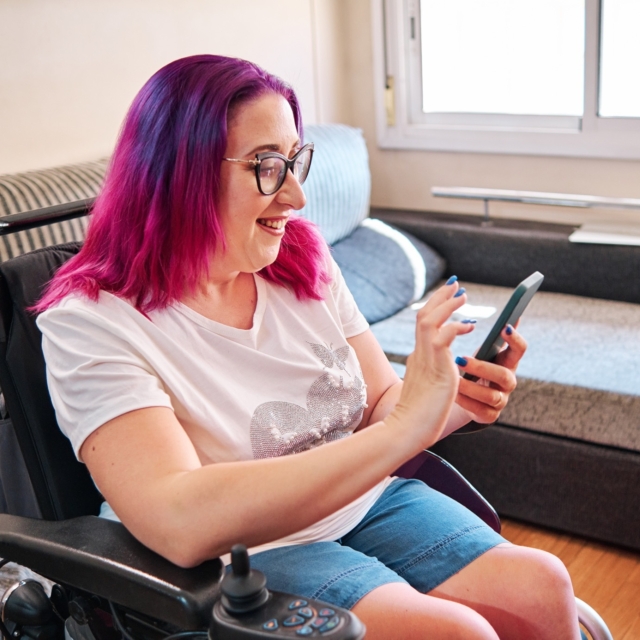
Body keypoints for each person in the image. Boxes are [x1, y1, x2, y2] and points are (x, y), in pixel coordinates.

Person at [35, 55, 580, 639]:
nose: (295, 196)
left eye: (295, 162)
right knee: (455, 633)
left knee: (544, 585)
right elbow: (178, 519)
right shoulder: (92, 321)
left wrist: (453, 397)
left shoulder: (299, 258)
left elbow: (382, 407)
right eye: (268, 166)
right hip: (243, 551)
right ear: (180, 173)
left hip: (363, 504)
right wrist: (406, 427)